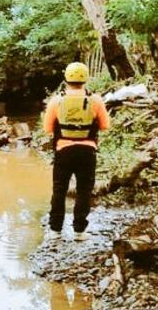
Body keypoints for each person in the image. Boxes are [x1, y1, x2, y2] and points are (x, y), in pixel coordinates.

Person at [42, 62, 110, 241]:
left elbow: (48, 129)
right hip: (87, 152)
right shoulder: (95, 100)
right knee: (84, 191)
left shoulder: (56, 100)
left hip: (63, 151)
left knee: (59, 190)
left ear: (66, 79)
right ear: (85, 79)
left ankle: (55, 230)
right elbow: (105, 126)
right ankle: (79, 231)